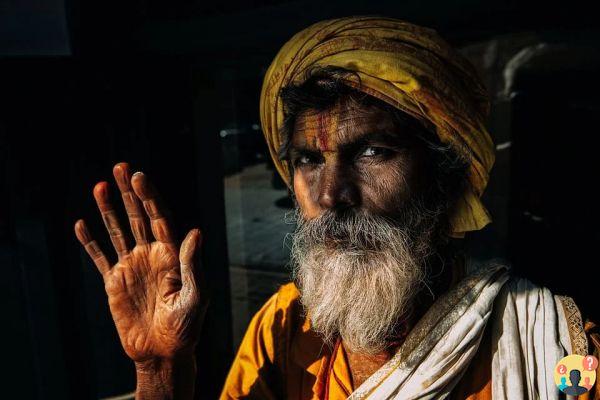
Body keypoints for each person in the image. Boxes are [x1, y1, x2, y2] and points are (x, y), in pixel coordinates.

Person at [74, 16, 600, 399]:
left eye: (372, 152)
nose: (330, 194)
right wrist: (160, 370)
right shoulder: (284, 326)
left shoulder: (556, 348)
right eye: (308, 159)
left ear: (447, 179)